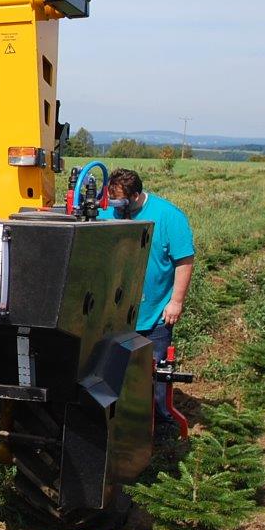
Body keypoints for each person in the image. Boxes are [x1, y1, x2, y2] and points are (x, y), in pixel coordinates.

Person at [106, 167, 195, 423]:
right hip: (114, 314)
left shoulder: (168, 216)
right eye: (112, 200)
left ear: (135, 195)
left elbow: (184, 261)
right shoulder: (107, 213)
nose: (115, 206)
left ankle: (159, 422)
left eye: (120, 201)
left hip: (153, 314)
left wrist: (176, 302)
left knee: (154, 376)